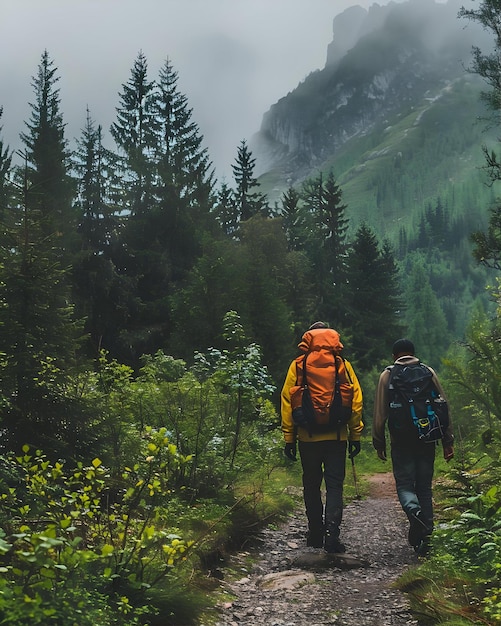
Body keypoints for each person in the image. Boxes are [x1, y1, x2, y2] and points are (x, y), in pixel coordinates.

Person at [281, 322, 364, 553]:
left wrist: (289, 438)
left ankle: (315, 533)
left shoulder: (298, 365)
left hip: (307, 437)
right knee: (335, 486)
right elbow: (355, 401)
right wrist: (355, 435)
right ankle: (332, 535)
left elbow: (287, 402)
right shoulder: (342, 365)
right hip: (337, 436)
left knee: (311, 485)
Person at [372, 338, 454, 555]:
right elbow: (442, 407)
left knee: (405, 485)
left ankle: (414, 512)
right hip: (427, 438)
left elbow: (380, 414)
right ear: (413, 353)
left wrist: (378, 441)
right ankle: (427, 538)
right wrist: (448, 440)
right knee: (424, 488)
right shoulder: (428, 372)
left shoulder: (388, 375)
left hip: (401, 442)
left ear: (394, 355)